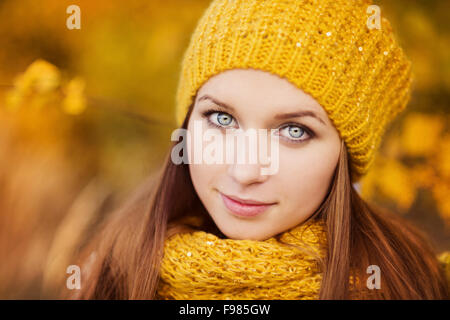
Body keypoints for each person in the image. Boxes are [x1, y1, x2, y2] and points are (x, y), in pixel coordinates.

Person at [68, 0, 450, 299]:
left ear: (344, 156)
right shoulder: (117, 271)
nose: (245, 171)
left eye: (294, 131)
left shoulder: (408, 285)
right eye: (221, 119)